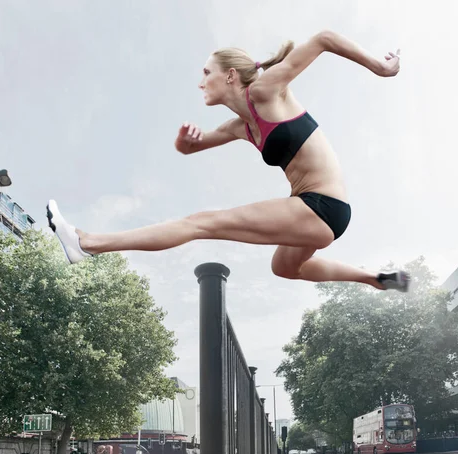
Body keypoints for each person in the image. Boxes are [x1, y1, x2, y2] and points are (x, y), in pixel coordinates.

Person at [47, 29, 409, 292]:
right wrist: (184, 142)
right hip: (317, 211)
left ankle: (87, 243)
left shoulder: (266, 91)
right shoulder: (240, 127)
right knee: (284, 267)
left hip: (321, 205)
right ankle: (373, 278)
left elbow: (325, 38)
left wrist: (381, 66)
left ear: (230, 75)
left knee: (201, 223)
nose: (201, 82)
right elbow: (194, 148)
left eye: (207, 73)